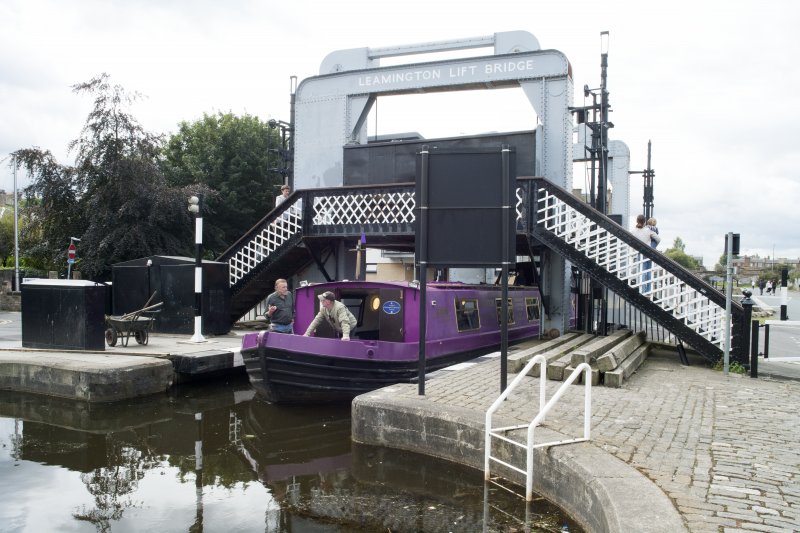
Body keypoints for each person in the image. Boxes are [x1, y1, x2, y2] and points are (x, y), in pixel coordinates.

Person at [631, 214, 660, 294]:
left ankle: (642, 290)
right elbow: (658, 239)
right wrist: (653, 246)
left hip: (640, 252)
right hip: (649, 252)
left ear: (637, 221)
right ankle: (648, 290)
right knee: (648, 271)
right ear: (644, 222)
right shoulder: (648, 230)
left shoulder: (633, 231)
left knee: (641, 271)